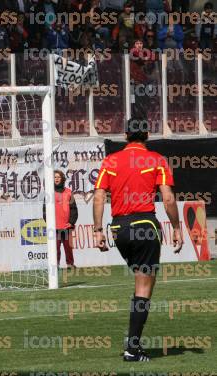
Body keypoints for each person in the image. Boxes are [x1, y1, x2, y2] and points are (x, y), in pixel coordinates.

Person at [93, 118, 183, 362]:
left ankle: (133, 340)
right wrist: (176, 227)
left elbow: (99, 197)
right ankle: (132, 347)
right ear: (147, 135)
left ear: (125, 135)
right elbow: (167, 199)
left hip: (119, 229)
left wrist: (98, 230)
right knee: (144, 288)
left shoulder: (110, 161)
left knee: (139, 283)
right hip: (145, 225)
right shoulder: (156, 159)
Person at [44, 170, 78, 268]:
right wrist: (49, 222)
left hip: (66, 225)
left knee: (68, 247)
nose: (57, 179)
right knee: (55, 247)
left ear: (62, 178)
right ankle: (56, 264)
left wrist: (71, 222)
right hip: (54, 226)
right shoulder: (49, 192)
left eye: (58, 177)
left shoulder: (68, 192)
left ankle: (70, 263)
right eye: (55, 177)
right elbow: (44, 209)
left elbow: (73, 208)